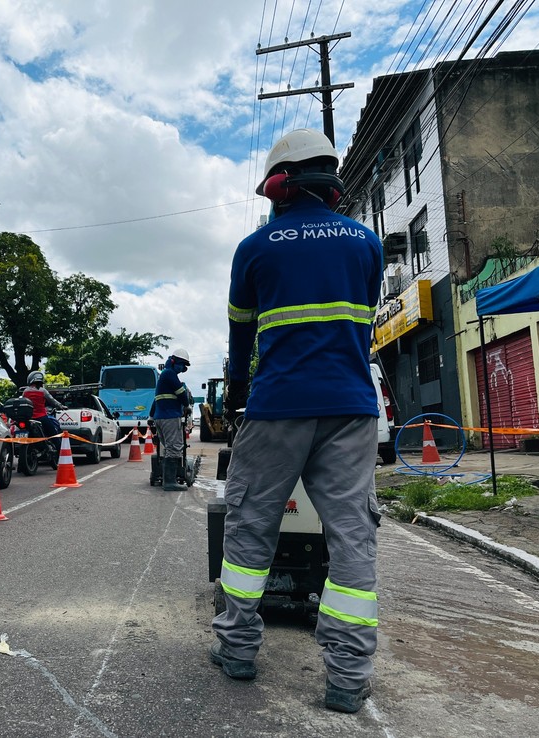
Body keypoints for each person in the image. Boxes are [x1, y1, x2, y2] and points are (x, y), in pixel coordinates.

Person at [209, 128, 383, 714]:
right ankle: (348, 676)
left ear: (278, 185)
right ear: (332, 183)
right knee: (351, 534)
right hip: (352, 410)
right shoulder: (365, 243)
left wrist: (237, 397)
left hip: (277, 407)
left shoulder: (256, 249)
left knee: (249, 527)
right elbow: (363, 324)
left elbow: (240, 335)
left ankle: (237, 649)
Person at [152, 348, 192, 491]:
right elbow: (181, 393)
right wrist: (187, 406)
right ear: (174, 362)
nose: (182, 368)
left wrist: (152, 416)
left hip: (161, 417)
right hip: (169, 417)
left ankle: (168, 479)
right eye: (181, 365)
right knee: (174, 447)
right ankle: (169, 482)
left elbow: (155, 400)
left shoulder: (164, 375)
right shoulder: (170, 374)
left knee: (169, 448)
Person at [22, 371, 66, 459]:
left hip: (28, 418)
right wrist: (61, 406)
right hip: (41, 417)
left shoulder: (25, 391)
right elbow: (52, 401)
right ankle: (63, 458)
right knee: (55, 436)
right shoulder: (43, 391)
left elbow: (23, 401)